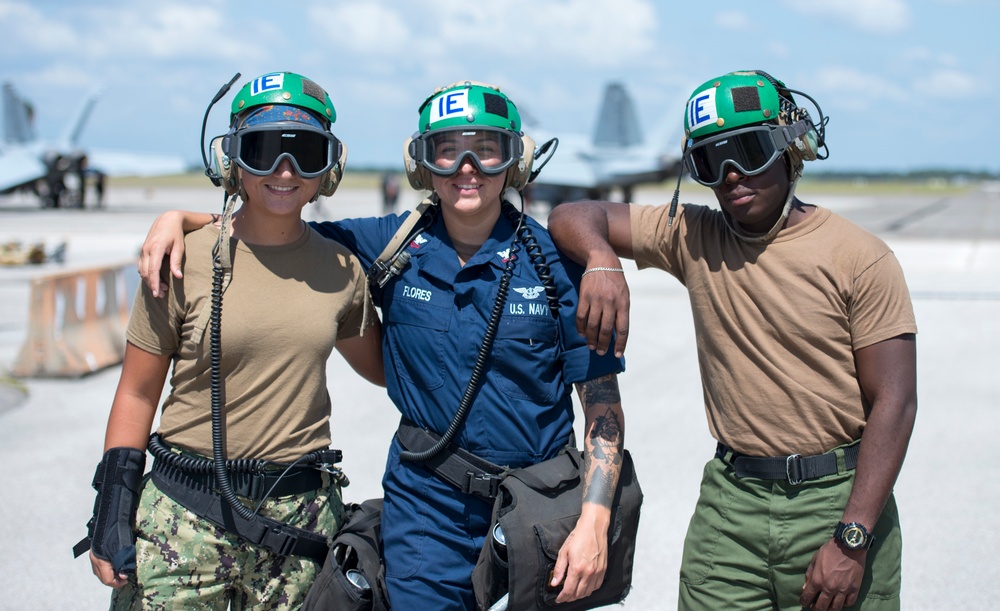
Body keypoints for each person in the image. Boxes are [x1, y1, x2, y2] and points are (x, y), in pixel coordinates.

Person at [137, 80, 628, 610]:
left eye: (486, 150)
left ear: (516, 161)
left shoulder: (560, 264)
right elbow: (276, 225)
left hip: (541, 506)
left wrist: (595, 523)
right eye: (447, 151)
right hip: (427, 513)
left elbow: (602, 406)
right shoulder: (387, 245)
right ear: (422, 165)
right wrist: (184, 219)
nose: (467, 167)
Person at [548, 70, 917, 611]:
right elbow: (572, 214)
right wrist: (603, 261)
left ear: (791, 149)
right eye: (710, 162)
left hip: (837, 501)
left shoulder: (860, 258)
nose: (731, 175)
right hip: (732, 502)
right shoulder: (693, 234)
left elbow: (896, 402)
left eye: (749, 149)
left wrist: (853, 536)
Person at [83, 71, 384, 609]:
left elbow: (389, 370)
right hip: (184, 525)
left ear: (329, 170)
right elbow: (136, 392)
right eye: (263, 150)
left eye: (306, 153)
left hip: (299, 532)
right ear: (232, 163)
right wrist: (113, 503)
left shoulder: (342, 269)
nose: (284, 171)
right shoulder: (182, 258)